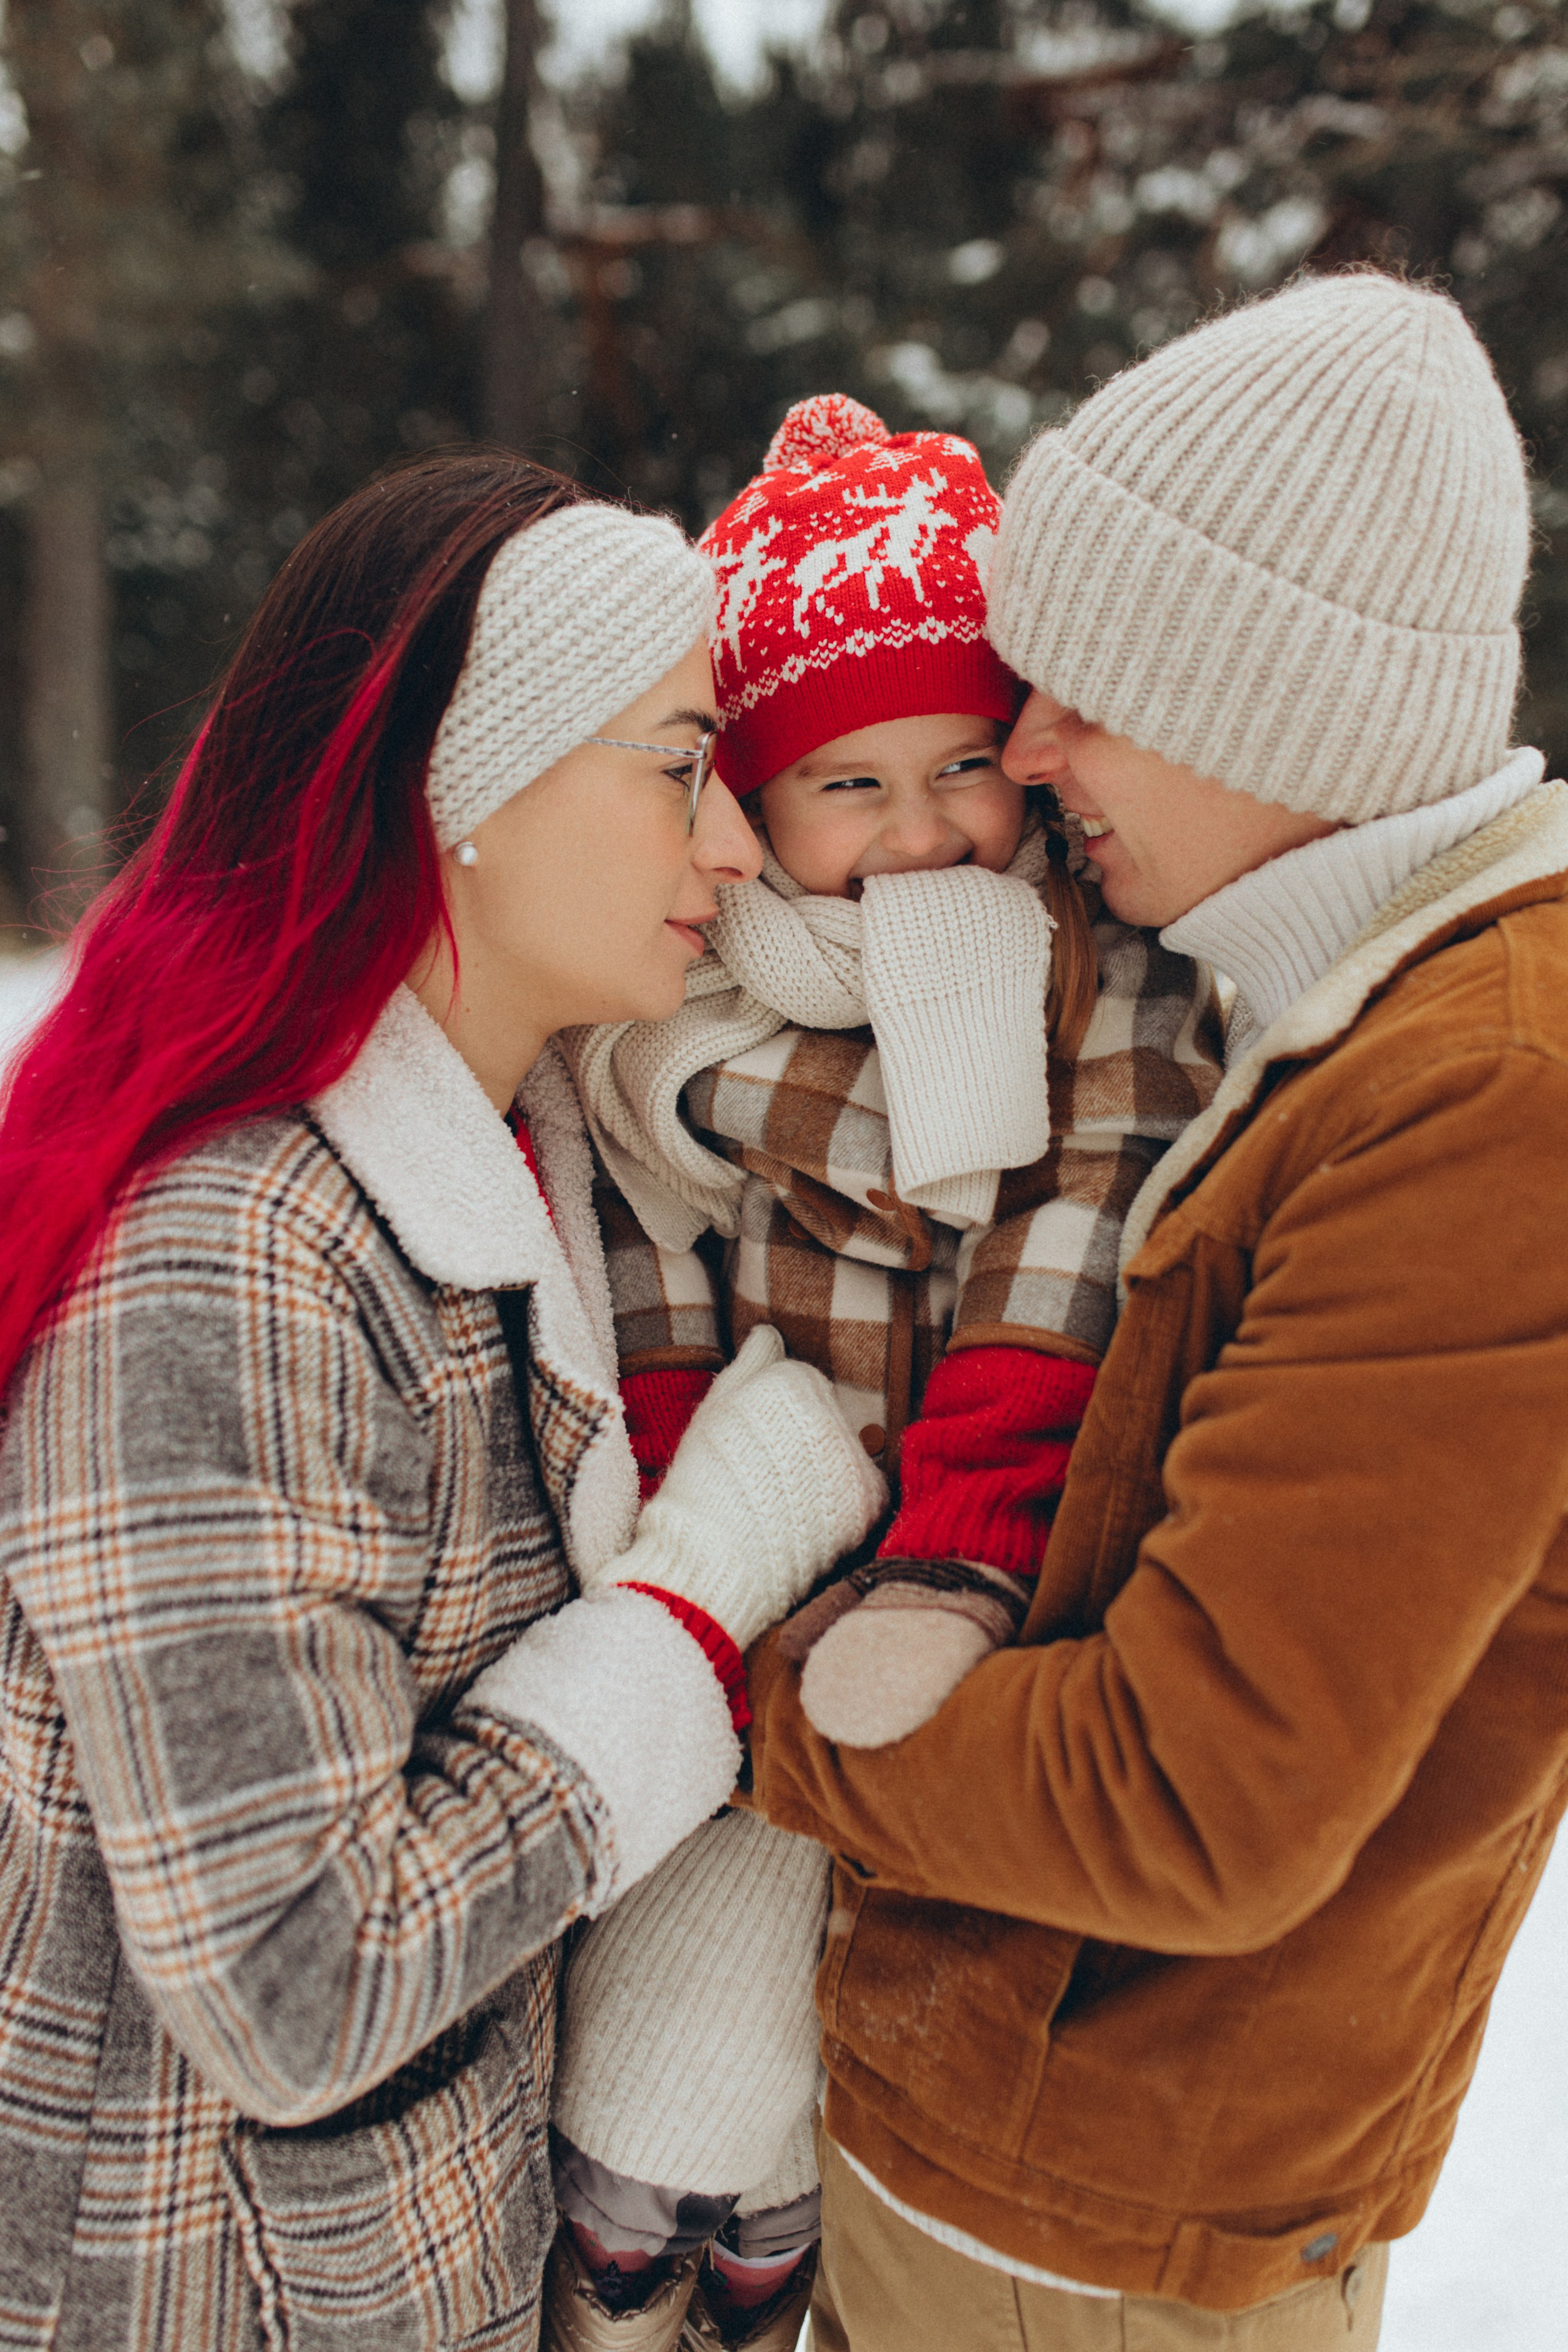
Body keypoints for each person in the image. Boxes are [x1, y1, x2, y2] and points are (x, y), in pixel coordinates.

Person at [741, 269, 1568, 2350]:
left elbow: (1191, 1798)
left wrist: (739, 1710)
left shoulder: (1491, 1097)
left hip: (1088, 2238)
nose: (1025, 751)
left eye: (1081, 695)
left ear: (1268, 709)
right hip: (1028, 2163)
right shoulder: (1321, 1006)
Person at [0, 452, 886, 2352]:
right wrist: (695, 1601)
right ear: (464, 785)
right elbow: (292, 1981)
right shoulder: (234, 1264)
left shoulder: (524, 1160)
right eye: (680, 767)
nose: (737, 846)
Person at [539, 398, 1220, 2351]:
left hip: (970, 1566)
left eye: (963, 767)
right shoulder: (686, 987)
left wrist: (960, 1547)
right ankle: (644, 2229)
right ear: (754, 803)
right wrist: (685, 1502)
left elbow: (1065, 1241)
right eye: (850, 784)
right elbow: (643, 1251)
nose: (924, 835)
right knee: (696, 1950)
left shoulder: (1090, 968)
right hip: (734, 1532)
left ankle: (775, 2243)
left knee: (860, 1963)